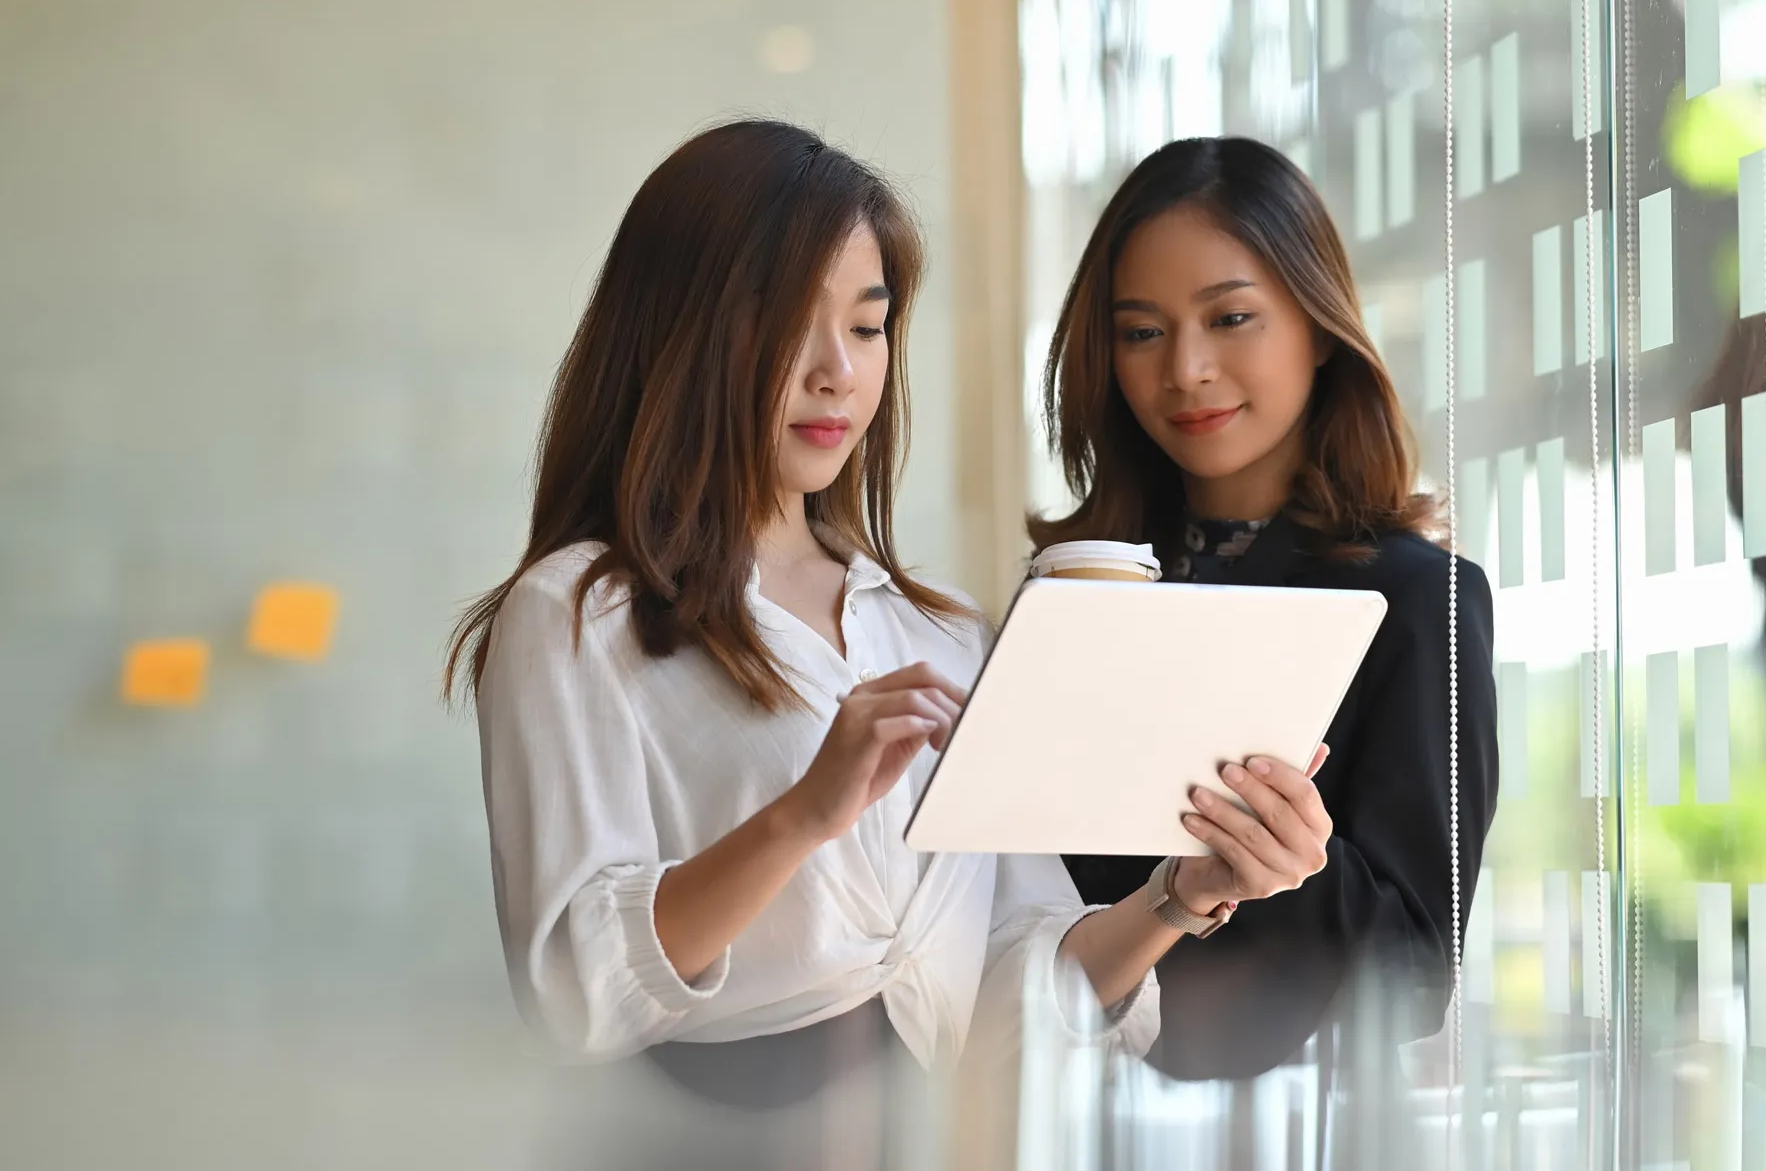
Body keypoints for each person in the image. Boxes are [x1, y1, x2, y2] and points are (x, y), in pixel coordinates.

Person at [444, 120, 1336, 1168]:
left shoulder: (943, 629)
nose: (835, 372)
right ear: (677, 330)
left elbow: (1018, 991)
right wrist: (802, 816)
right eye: (784, 324)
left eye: (867, 328)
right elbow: (574, 988)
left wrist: (1177, 896)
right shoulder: (578, 614)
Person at [1032, 136, 1500, 1092]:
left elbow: (1414, 977)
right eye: (1142, 332)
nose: (1187, 370)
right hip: (1053, 1103)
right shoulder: (1077, 597)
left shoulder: (1415, 599)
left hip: (1278, 1122)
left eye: (1231, 317)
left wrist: (1294, 858)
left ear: (1318, 325)